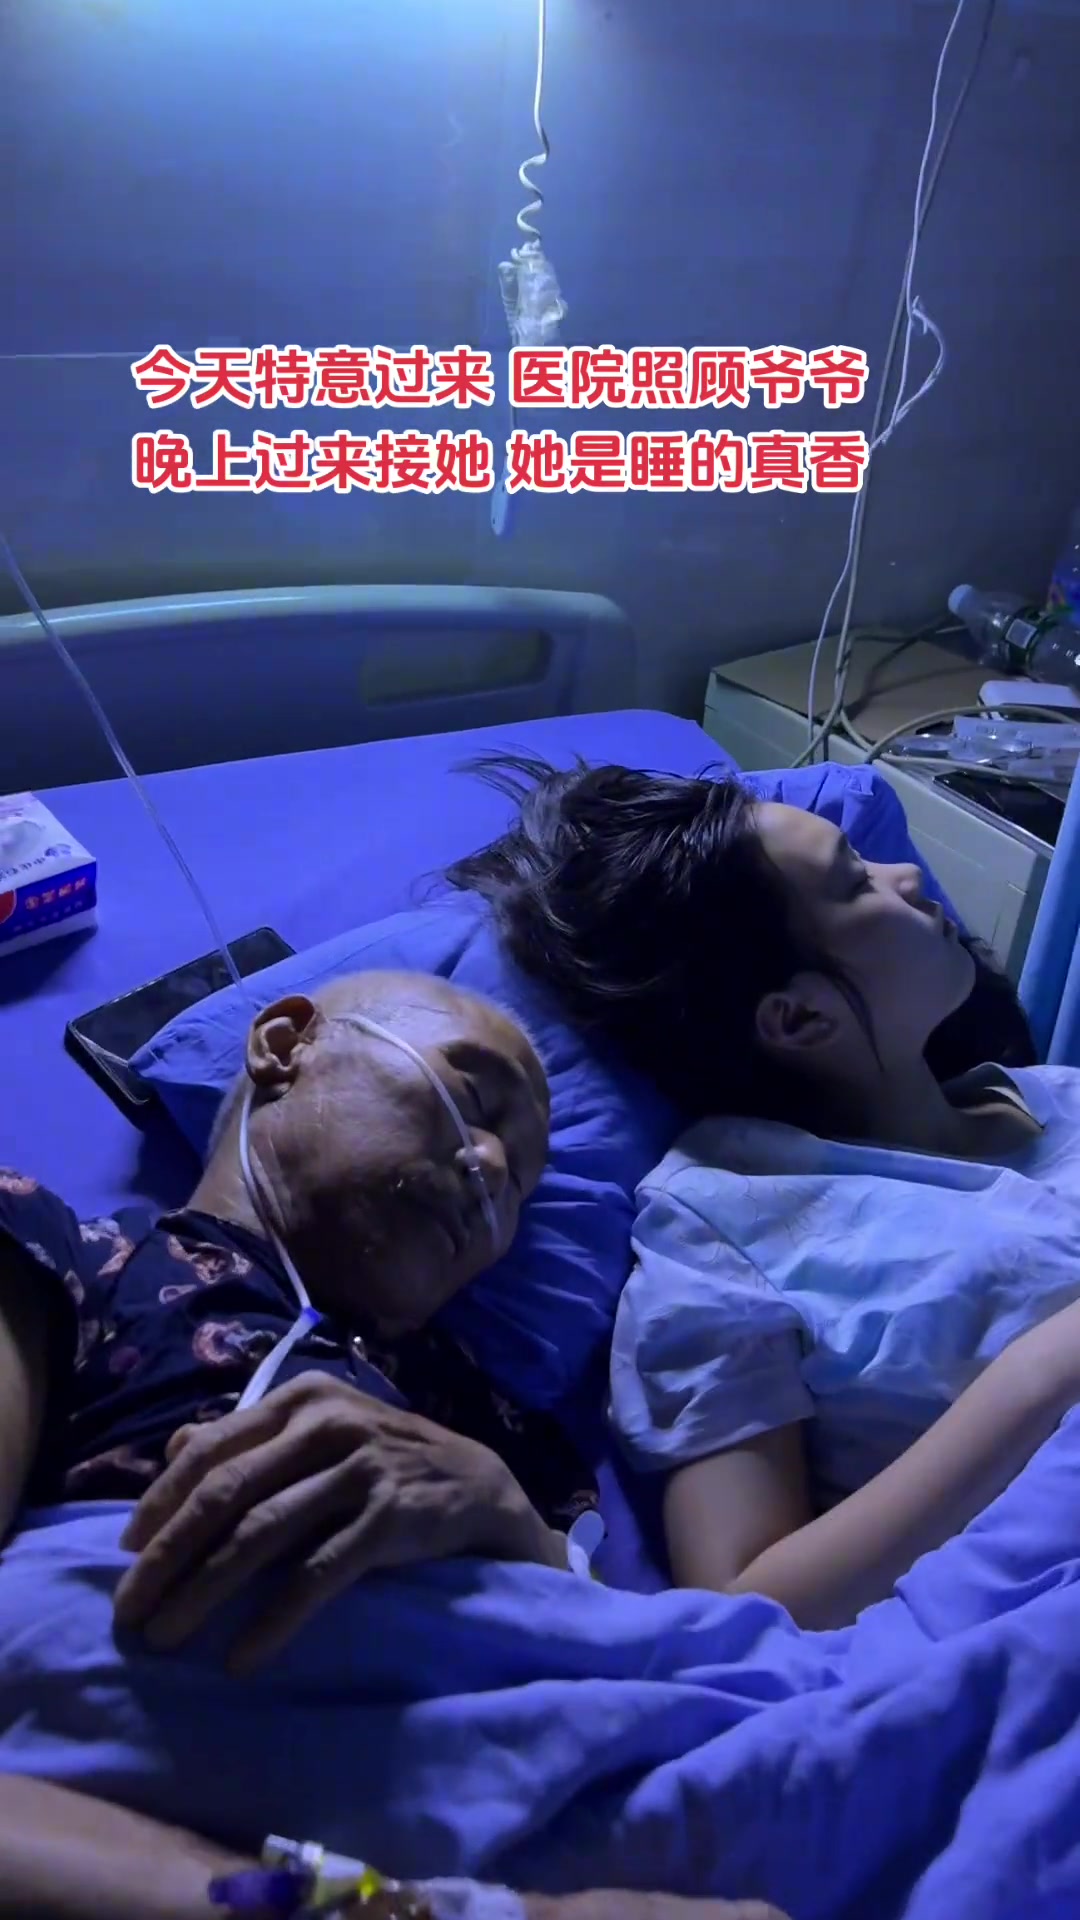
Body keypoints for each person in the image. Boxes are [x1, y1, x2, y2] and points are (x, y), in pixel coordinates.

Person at [443, 754, 1080, 1627]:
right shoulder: (724, 1226)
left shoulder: (1056, 1096)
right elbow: (746, 1603)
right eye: (856, 882)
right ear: (799, 1017)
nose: (906, 876)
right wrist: (1042, 1374)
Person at [0, 968, 597, 1672]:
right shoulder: (53, 1254)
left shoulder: (506, 1441)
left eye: (520, 1182)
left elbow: (621, 1655)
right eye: (472, 1097)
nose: (493, 1167)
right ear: (285, 1047)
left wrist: (507, 1516)